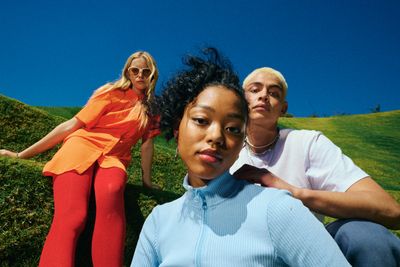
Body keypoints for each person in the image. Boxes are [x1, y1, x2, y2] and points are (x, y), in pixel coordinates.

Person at [130, 48, 350, 266]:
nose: (216, 136)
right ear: (177, 128)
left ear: (241, 144)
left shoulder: (277, 209)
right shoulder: (159, 221)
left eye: (233, 129)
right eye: (201, 120)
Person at [0, 51, 161, 266]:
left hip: (114, 157)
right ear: (128, 73)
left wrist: (147, 181)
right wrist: (21, 154)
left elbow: (147, 145)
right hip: (81, 146)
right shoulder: (109, 93)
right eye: (135, 70)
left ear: (152, 75)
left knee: (112, 190)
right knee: (73, 216)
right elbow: (70, 125)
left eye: (146, 71)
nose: (140, 75)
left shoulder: (153, 110)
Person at [231, 67, 400, 266]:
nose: (264, 96)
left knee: (365, 235)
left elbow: (390, 211)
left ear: (283, 109)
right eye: (254, 90)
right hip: (241, 256)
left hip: (307, 256)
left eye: (274, 93)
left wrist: (294, 193)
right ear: (240, 101)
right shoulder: (223, 149)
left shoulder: (308, 142)